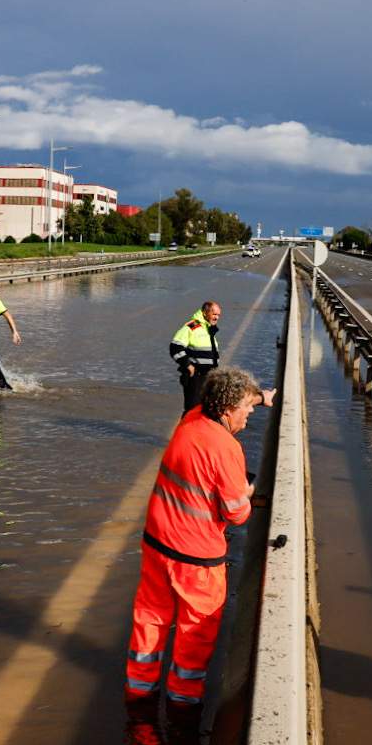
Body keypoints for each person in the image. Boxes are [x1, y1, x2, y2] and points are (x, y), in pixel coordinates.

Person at [125, 367, 262, 709]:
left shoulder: (191, 419)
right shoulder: (227, 449)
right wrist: (247, 492)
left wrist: (260, 395)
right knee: (195, 630)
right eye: (248, 406)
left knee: (151, 617)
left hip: (158, 542)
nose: (251, 413)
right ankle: (182, 702)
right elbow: (236, 513)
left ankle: (139, 690)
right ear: (228, 409)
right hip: (197, 558)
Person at [169, 301, 221, 411]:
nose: (216, 318)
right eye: (214, 314)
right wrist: (187, 365)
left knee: (206, 410)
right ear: (205, 313)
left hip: (209, 377)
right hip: (195, 377)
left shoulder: (209, 329)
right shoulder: (192, 327)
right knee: (192, 410)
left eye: (218, 315)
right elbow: (175, 347)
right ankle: (185, 428)